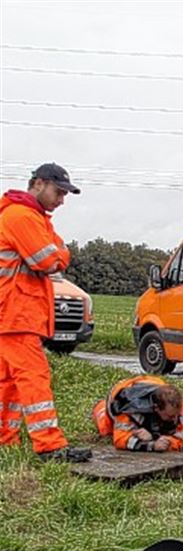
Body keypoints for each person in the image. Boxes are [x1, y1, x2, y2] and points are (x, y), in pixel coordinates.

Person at [0, 163, 91, 462]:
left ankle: (5, 439)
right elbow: (50, 260)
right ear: (38, 184)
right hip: (16, 313)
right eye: (59, 191)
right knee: (33, 377)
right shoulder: (22, 217)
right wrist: (59, 253)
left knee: (9, 381)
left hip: (13, 312)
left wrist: (57, 251)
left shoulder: (30, 217)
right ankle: (49, 445)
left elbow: (56, 251)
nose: (62, 200)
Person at [92, 375, 183, 452]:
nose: (175, 419)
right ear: (156, 408)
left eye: (176, 415)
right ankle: (100, 407)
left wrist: (155, 437)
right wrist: (150, 445)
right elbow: (120, 440)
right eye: (171, 416)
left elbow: (180, 441)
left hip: (152, 384)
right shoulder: (128, 408)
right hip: (122, 394)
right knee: (106, 431)